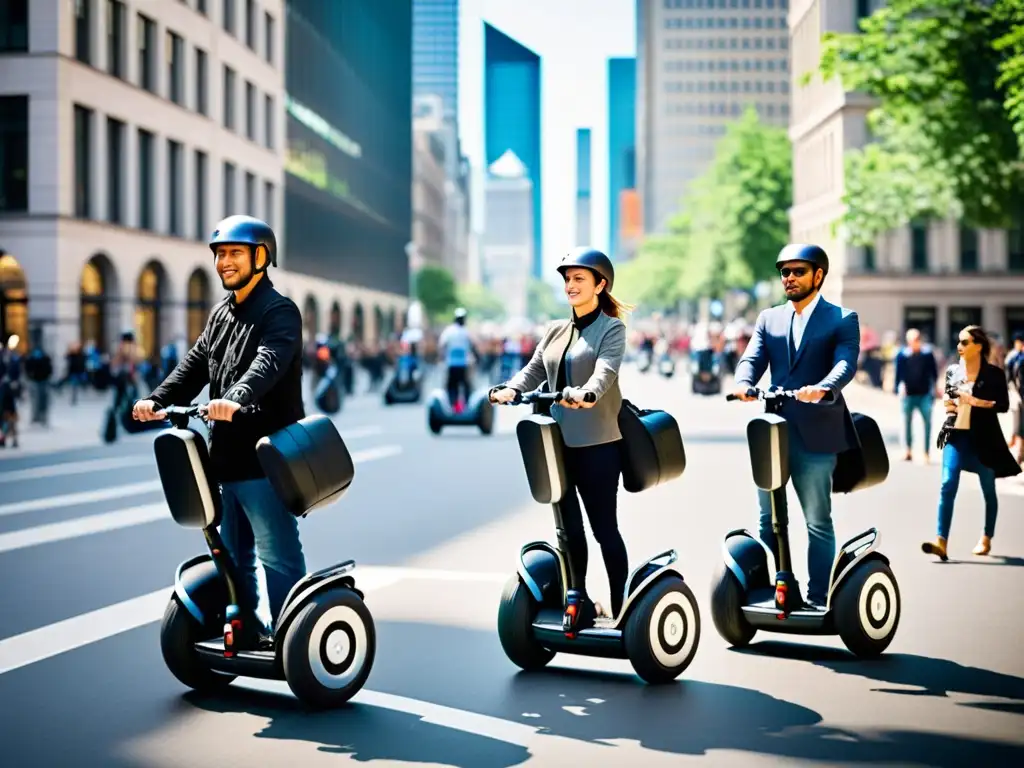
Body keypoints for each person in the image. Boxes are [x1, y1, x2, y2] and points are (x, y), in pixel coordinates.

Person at [132, 214, 306, 648]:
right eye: (220, 254)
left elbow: (268, 361)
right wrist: (156, 399)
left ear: (261, 257)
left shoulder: (279, 311)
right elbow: (192, 366)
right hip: (223, 460)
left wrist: (239, 395)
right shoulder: (220, 315)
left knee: (276, 554)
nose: (225, 262)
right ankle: (246, 625)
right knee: (231, 555)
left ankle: (292, 638)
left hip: (266, 460)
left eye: (234, 253)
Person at [490, 247, 631, 629]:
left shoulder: (612, 329)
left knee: (604, 529)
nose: (570, 285)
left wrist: (587, 393)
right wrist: (509, 389)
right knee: (568, 527)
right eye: (567, 279)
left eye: (579, 279)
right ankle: (578, 597)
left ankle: (622, 605)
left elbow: (605, 372)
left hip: (599, 444)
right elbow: (532, 371)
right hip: (557, 444)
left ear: (600, 285)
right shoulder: (555, 330)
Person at [730, 243, 861, 610]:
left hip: (818, 433)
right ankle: (779, 590)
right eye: (784, 272)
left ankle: (820, 596)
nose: (789, 278)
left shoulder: (841, 318)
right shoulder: (768, 319)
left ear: (818, 275)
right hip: (773, 430)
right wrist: (743, 382)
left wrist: (823, 388)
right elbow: (752, 357)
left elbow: (845, 363)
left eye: (798, 271)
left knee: (817, 520)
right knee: (768, 518)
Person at [922, 326, 1021, 560]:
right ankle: (941, 542)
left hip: (984, 440)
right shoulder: (953, 371)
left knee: (988, 489)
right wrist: (951, 404)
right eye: (958, 342)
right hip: (956, 436)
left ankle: (986, 537)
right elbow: (949, 402)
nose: (959, 347)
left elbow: (1003, 405)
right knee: (947, 483)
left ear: (978, 346)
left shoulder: (994, 374)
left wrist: (975, 401)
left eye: (965, 342)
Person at [893, 328, 939, 463]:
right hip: (908, 395)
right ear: (908, 341)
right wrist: (898, 389)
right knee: (906, 423)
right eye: (912, 340)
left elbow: (934, 374)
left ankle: (926, 452)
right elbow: (898, 374)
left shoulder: (927, 354)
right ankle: (907, 450)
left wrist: (935, 389)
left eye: (917, 339)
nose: (915, 342)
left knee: (927, 423)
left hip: (924, 394)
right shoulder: (902, 355)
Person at [438, 307, 475, 410]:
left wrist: (442, 357)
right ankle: (465, 406)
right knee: (464, 386)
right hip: (462, 364)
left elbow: (442, 345)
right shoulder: (465, 332)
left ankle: (453, 405)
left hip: (452, 364)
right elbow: (472, 346)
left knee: (453, 386)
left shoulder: (449, 331)